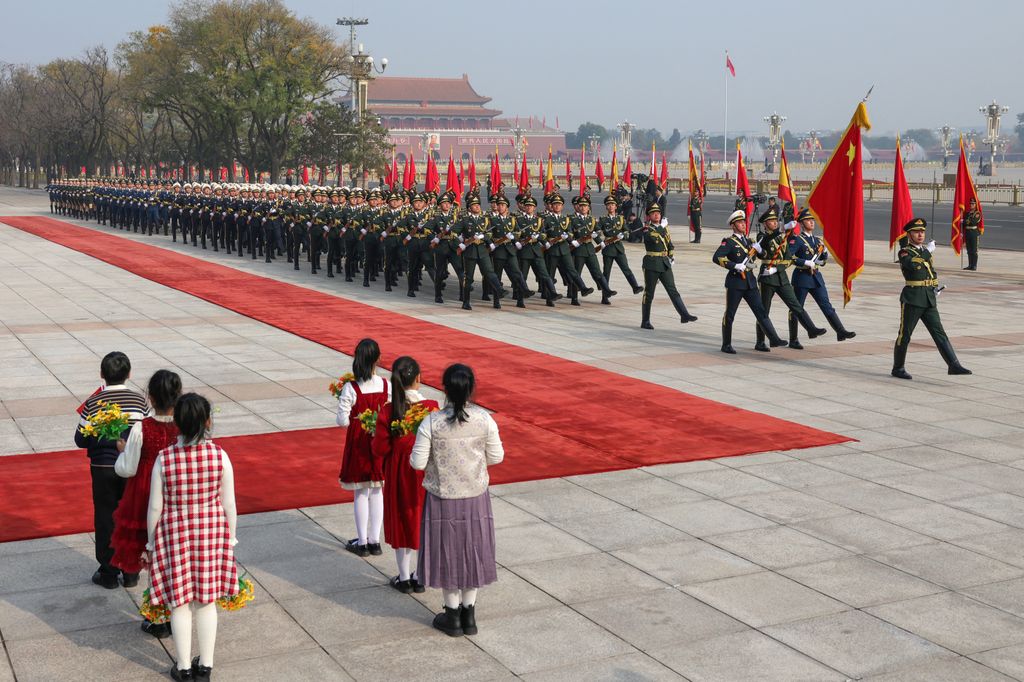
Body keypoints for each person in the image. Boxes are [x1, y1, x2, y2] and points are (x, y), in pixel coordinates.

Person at [147, 393, 238, 681]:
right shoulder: (220, 456)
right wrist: (231, 538)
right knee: (206, 601)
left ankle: (184, 666)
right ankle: (206, 666)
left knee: (180, 602)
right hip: (210, 531)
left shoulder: (164, 459)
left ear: (176, 423)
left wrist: (151, 543)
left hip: (175, 533)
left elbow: (154, 506)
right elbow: (229, 503)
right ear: (208, 421)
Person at [411, 364, 503, 637]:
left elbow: (416, 462)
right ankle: (469, 614)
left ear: (445, 388)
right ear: (471, 387)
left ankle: (452, 616)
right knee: (473, 550)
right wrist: (473, 466)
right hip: (475, 496)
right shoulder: (484, 419)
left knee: (447, 552)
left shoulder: (432, 422)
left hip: (443, 497)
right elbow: (497, 456)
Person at [112, 369, 183, 639]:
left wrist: (122, 451)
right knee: (170, 552)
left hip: (144, 493)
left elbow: (127, 469)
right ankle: (173, 605)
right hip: (177, 490)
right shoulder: (184, 424)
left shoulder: (142, 427)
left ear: (150, 398)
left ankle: (158, 616)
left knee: (150, 551)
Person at [74, 351, 151, 590]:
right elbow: (147, 433)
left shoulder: (93, 403)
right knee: (131, 516)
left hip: (103, 467)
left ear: (102, 375)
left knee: (105, 516)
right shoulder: (140, 401)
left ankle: (108, 572)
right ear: (129, 374)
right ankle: (130, 571)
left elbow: (80, 439)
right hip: (131, 467)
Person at [371, 356, 439, 594]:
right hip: (424, 473)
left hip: (399, 472)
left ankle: (403, 576)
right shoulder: (430, 407)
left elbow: (379, 448)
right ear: (418, 379)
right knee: (422, 518)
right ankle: (420, 575)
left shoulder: (389, 411)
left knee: (401, 519)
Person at [892, 218, 972, 380]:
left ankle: (953, 365)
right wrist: (927, 251)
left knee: (939, 333)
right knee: (905, 334)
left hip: (928, 297)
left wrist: (934, 287)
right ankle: (898, 368)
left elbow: (930, 271)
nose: (920, 235)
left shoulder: (923, 251)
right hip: (913, 298)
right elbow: (915, 266)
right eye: (916, 232)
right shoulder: (905, 251)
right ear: (909, 234)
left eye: (922, 232)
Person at [336, 338, 392, 556]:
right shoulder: (386, 385)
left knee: (361, 491)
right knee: (377, 489)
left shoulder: (350, 387)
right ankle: (375, 540)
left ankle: (361, 542)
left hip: (358, 443)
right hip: (379, 441)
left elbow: (342, 421)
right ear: (378, 359)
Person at [751, 207, 826, 352]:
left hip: (781, 277)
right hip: (767, 278)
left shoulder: (783, 238)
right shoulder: (761, 236)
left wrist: (778, 268)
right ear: (765, 224)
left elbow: (788, 259)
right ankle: (760, 341)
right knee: (764, 311)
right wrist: (784, 228)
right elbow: (766, 242)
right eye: (771, 221)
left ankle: (811, 329)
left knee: (796, 305)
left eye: (775, 221)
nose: (774, 223)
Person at [712, 210, 787, 353]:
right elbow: (717, 258)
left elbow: (763, 254)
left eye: (743, 222)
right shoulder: (728, 242)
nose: (743, 224)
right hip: (736, 283)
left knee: (761, 312)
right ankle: (726, 344)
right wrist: (734, 266)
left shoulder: (750, 241)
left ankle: (774, 338)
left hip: (750, 282)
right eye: (739, 223)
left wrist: (759, 250)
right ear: (733, 226)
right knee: (730, 314)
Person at [787, 209, 856, 346]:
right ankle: (794, 339)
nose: (812, 222)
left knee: (826, 305)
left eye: (812, 220)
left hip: (816, 277)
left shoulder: (817, 241)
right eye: (808, 220)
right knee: (796, 308)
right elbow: (789, 257)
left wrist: (824, 254)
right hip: (802, 277)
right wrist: (805, 262)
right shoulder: (797, 240)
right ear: (801, 223)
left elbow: (822, 262)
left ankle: (840, 331)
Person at [639, 205, 697, 329]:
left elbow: (669, 244)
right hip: (652, 263)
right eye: (653, 213)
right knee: (649, 293)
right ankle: (645, 321)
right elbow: (651, 239)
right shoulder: (646, 229)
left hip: (664, 263)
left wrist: (671, 256)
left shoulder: (665, 228)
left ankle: (684, 314)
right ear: (649, 216)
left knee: (673, 290)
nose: (656, 215)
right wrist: (661, 227)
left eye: (658, 213)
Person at [598, 194, 643, 294]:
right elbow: (596, 232)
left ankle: (635, 286)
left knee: (626, 269)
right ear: (606, 207)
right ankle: (605, 295)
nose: (610, 206)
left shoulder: (620, 219)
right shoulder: (603, 219)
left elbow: (626, 231)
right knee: (606, 272)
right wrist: (600, 242)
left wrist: (624, 235)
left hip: (618, 248)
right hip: (608, 248)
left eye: (612, 204)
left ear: (616, 206)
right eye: (608, 205)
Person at [963, 197, 982, 270]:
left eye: (973, 204)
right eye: (970, 203)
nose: (971, 205)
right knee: (969, 250)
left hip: (974, 233)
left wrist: (965, 221)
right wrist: (964, 221)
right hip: (968, 233)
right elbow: (964, 223)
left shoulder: (977, 213)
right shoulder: (967, 213)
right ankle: (970, 265)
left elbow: (973, 222)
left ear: (975, 205)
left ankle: (974, 265)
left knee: (974, 250)